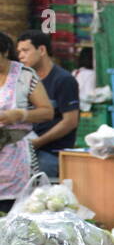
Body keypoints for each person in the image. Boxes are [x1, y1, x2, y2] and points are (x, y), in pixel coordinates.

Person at [0, 31, 54, 212]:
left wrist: (19, 115)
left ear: (5, 52)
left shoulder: (24, 76)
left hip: (16, 157)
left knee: (15, 212)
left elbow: (47, 112)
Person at [17, 30, 80, 179]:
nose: (20, 56)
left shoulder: (64, 80)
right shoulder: (23, 80)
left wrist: (37, 143)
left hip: (51, 152)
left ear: (42, 50)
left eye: (25, 50)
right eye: (18, 51)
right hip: (25, 149)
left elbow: (70, 122)